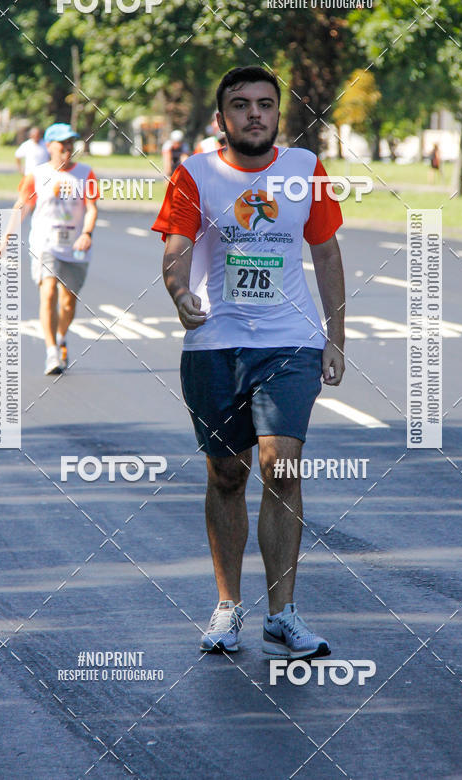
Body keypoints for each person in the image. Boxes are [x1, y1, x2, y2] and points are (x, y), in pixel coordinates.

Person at [152, 65, 345, 658]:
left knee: (281, 466)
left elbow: (326, 250)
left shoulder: (305, 170)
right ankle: (229, 606)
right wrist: (180, 292)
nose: (254, 114)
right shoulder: (194, 173)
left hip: (290, 343)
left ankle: (283, 613)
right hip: (215, 345)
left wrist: (336, 336)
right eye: (241, 104)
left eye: (265, 104)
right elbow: (176, 248)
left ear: (277, 115)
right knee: (226, 475)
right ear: (221, 119)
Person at [2, 123, 98, 376]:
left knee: (68, 302)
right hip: (45, 244)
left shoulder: (86, 173)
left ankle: (61, 336)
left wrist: (87, 233)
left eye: (70, 143)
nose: (67, 148)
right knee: (48, 294)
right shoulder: (36, 174)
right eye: (62, 143)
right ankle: (51, 351)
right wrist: (5, 238)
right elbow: (21, 206)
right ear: (49, 146)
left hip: (75, 246)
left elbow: (92, 208)